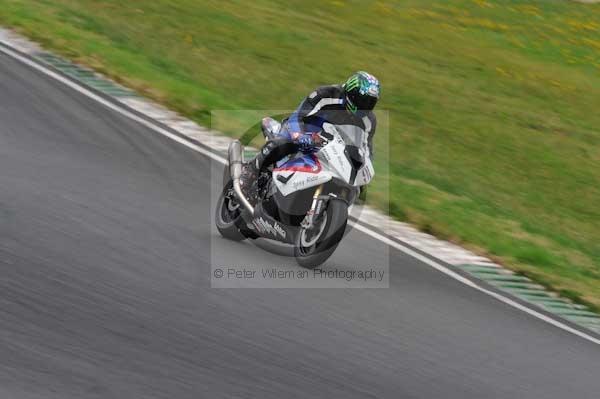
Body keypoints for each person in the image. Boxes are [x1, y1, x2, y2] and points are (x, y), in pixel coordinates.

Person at [241, 71, 380, 194]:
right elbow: (297, 117)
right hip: (303, 132)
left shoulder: (369, 121)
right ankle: (250, 172)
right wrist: (298, 135)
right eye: (362, 100)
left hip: (331, 149)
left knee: (351, 187)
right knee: (282, 143)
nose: (364, 106)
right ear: (351, 92)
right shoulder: (326, 94)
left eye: (370, 103)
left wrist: (362, 172)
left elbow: (366, 150)